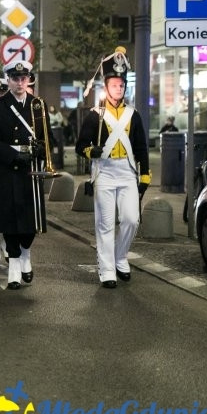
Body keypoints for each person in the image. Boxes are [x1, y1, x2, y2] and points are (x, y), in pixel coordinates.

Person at [76, 46, 150, 289]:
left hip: (127, 172)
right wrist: (91, 151)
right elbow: (80, 145)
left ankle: (120, 257)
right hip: (105, 173)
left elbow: (141, 147)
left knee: (131, 220)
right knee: (105, 224)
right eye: (114, 84)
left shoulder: (133, 114)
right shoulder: (95, 115)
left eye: (121, 85)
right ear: (106, 86)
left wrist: (145, 174)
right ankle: (107, 268)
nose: (118, 88)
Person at [0, 61, 49, 291]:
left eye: (24, 78)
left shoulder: (38, 106)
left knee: (30, 222)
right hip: (7, 169)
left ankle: (26, 254)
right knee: (10, 221)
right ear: (8, 79)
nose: (20, 83)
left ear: (29, 79)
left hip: (31, 170)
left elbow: (47, 137)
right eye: (15, 78)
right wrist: (12, 156)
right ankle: (13, 267)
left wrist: (42, 149)